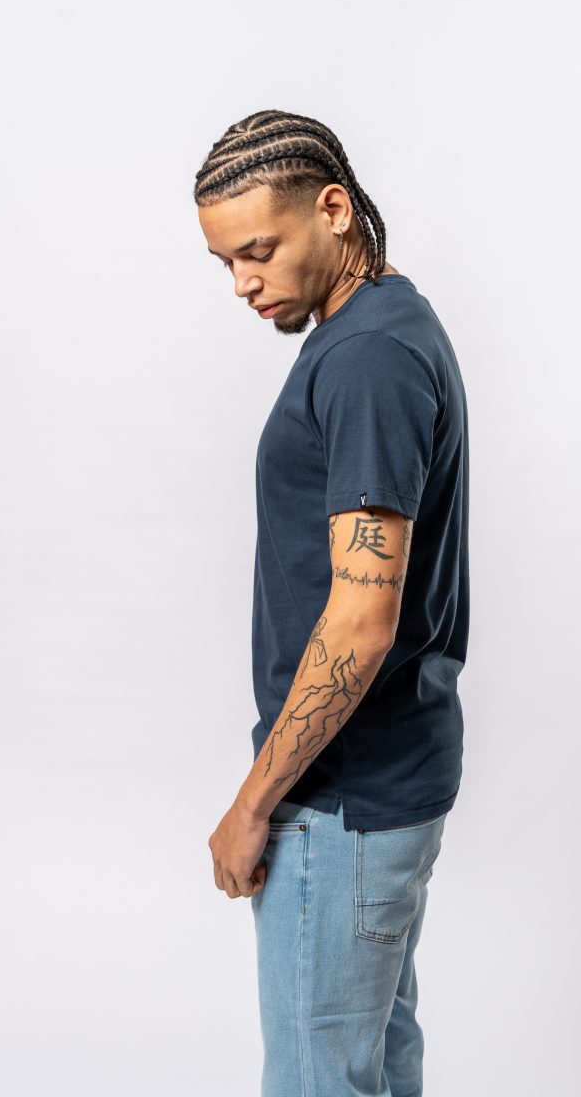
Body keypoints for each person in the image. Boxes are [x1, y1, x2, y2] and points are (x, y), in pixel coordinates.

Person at [194, 108, 470, 1097]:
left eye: (258, 251)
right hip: (381, 786)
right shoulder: (384, 323)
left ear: (334, 210)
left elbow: (360, 621)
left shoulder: (366, 359)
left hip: (341, 804)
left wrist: (253, 805)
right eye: (226, 262)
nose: (243, 283)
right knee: (373, 1070)